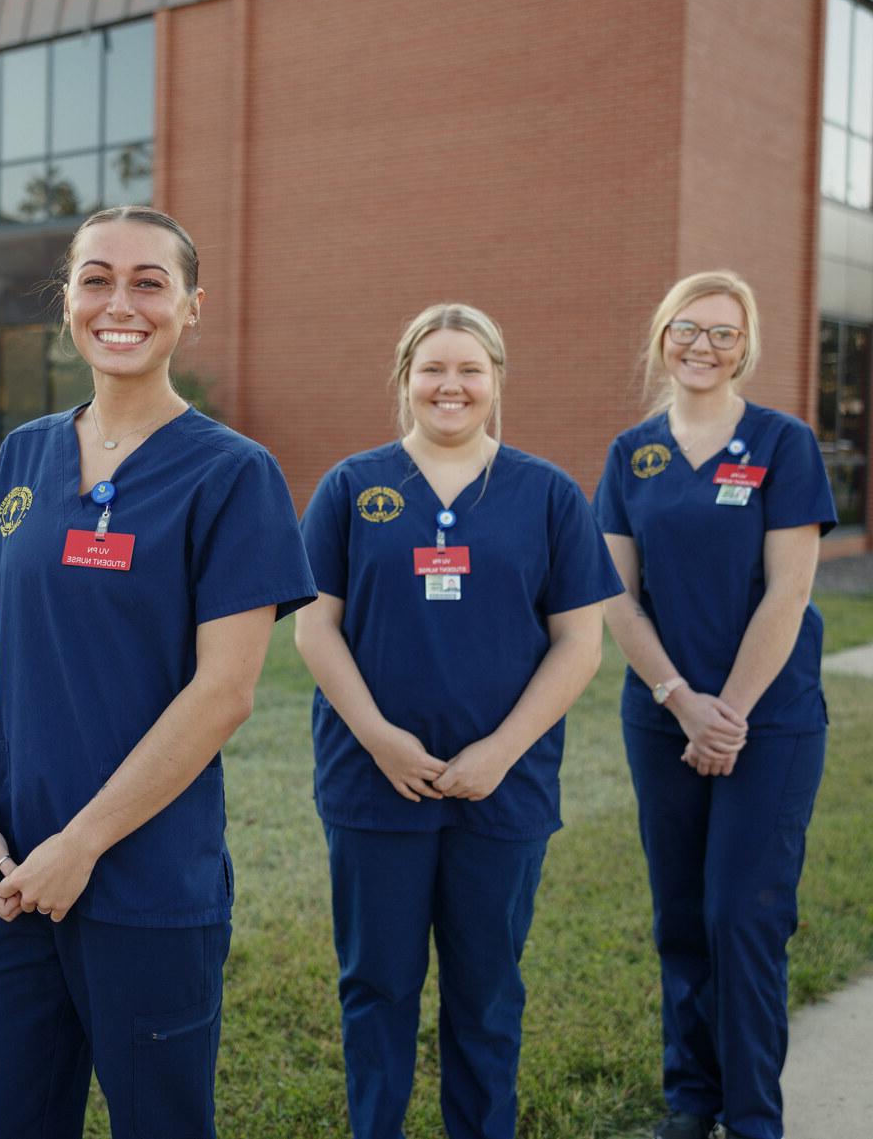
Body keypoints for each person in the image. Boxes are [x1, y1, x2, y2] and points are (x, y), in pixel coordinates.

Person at [0, 206, 316, 1139]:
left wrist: (84, 843)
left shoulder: (233, 473)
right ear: (66, 300)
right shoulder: (26, 452)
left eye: (150, 282)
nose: (120, 302)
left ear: (191, 308)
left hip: (147, 884)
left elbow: (225, 691)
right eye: (96, 278)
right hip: (13, 875)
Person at [294, 302, 620, 1139]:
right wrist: (377, 735)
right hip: (374, 784)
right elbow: (313, 626)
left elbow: (580, 642)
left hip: (501, 792)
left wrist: (501, 752)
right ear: (404, 379)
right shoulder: (351, 486)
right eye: (432, 368)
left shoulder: (547, 493)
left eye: (469, 369)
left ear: (496, 380)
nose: (451, 385)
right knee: (377, 986)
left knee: (486, 990)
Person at [593, 271, 835, 1139]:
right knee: (682, 917)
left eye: (724, 334)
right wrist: (679, 700)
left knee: (744, 914)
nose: (703, 346)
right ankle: (693, 1100)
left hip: (768, 721)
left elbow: (789, 591)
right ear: (662, 337)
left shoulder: (782, 442)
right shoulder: (633, 454)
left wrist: (725, 712)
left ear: (747, 346)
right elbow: (617, 597)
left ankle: (754, 1116)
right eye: (687, 329)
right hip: (661, 717)